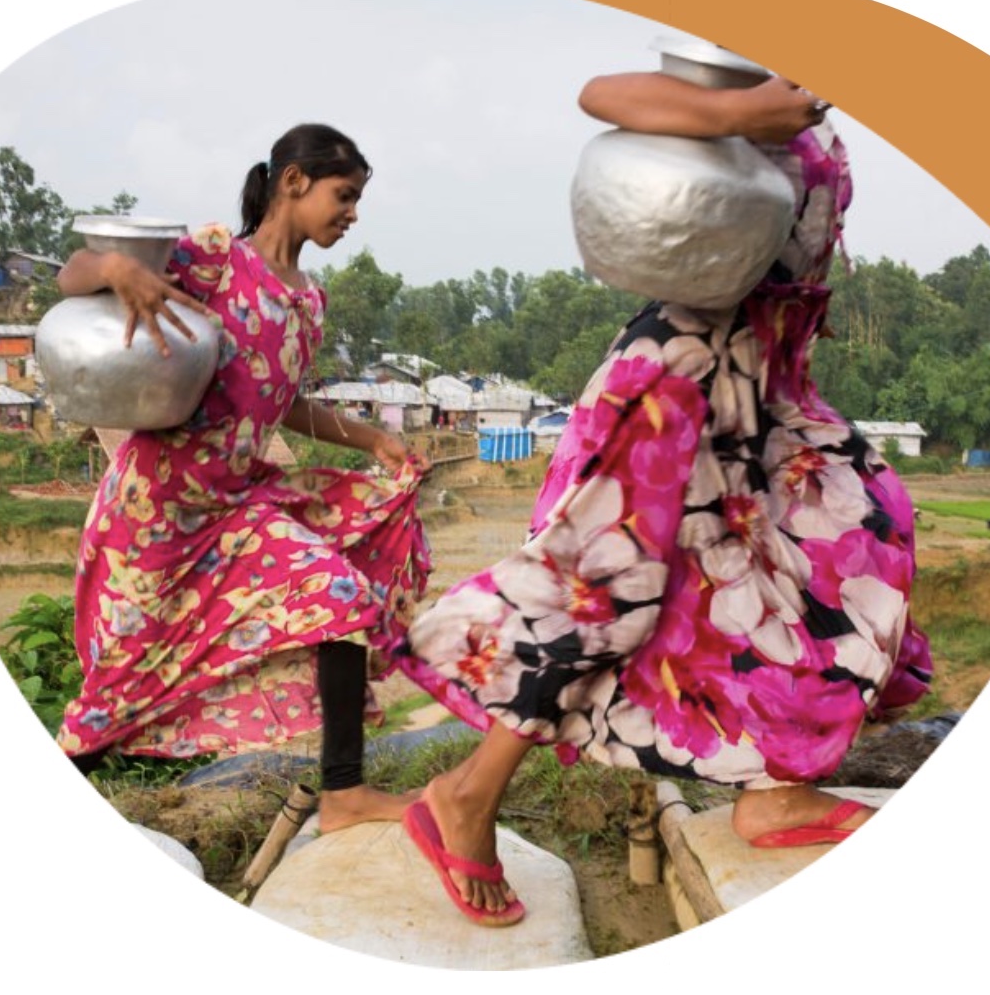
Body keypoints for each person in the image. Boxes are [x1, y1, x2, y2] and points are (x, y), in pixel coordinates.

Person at [393, 69, 933, 925]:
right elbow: (603, 94)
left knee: (853, 529)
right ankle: (466, 794)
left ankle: (776, 785)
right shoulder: (739, 70)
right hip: (679, 376)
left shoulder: (814, 95)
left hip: (766, 385)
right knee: (611, 590)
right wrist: (740, 111)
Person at [54, 124, 432, 834]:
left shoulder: (308, 301)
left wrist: (374, 439)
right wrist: (115, 271)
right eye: (344, 195)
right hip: (156, 511)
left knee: (341, 595)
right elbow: (70, 273)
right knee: (119, 689)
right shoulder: (214, 259)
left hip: (236, 506)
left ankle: (345, 795)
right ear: (293, 181)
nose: (352, 213)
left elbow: (280, 398)